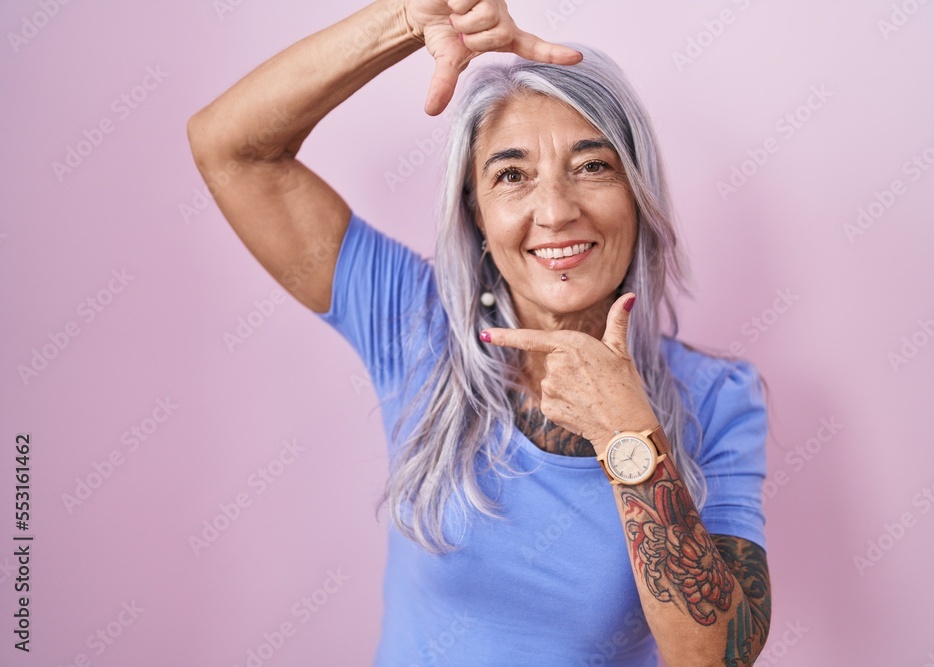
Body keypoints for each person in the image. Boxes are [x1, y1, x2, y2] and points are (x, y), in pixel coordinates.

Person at [186, 0, 773, 664]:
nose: (555, 210)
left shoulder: (718, 397)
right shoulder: (416, 323)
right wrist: (411, 17)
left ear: (637, 194)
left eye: (592, 165)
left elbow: (714, 655)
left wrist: (626, 433)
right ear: (478, 218)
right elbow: (231, 149)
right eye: (512, 176)